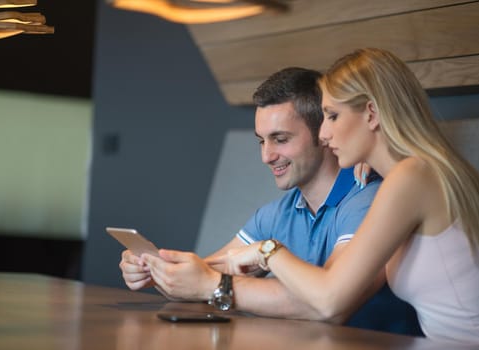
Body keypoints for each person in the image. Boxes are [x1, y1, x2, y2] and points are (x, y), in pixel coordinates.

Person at [211, 49, 479, 345]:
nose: (322, 133)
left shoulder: (412, 177)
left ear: (371, 114)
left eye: (332, 116)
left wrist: (266, 252)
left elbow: (329, 300)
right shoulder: (412, 175)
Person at [120, 67, 421, 335]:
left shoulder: (367, 197)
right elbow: (209, 269)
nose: (266, 156)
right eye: (261, 141)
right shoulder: (278, 213)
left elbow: (328, 305)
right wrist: (157, 270)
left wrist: (210, 285)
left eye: (280, 139)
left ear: (324, 133)